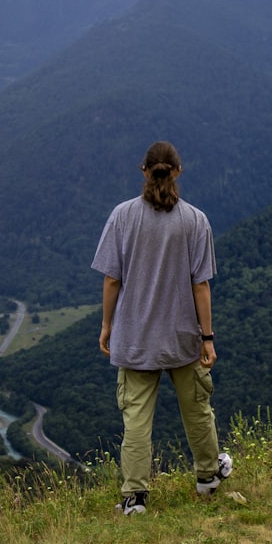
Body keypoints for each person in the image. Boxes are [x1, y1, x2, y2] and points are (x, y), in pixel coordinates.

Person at [91, 141, 232, 516]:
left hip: (135, 338)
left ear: (143, 170)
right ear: (178, 172)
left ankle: (135, 497)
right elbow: (200, 285)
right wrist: (207, 337)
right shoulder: (195, 220)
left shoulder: (122, 217)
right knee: (197, 408)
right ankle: (207, 478)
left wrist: (107, 326)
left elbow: (111, 281)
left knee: (136, 420)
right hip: (183, 337)